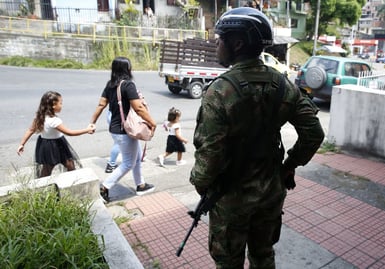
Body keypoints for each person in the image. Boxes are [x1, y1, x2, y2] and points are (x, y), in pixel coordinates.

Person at [189, 7, 324, 268]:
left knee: (229, 262)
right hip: (271, 192)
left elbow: (209, 153)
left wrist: (202, 183)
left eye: (220, 39)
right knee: (263, 256)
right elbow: (314, 133)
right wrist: (289, 166)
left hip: (231, 197)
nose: (217, 44)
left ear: (237, 43)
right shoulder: (284, 85)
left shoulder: (220, 91)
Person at [89, 56, 157, 203]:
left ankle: (141, 184)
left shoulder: (110, 85)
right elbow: (138, 107)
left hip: (115, 129)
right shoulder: (128, 85)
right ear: (127, 69)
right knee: (128, 163)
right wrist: (152, 122)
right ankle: (105, 187)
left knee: (137, 157)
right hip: (125, 131)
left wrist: (92, 122)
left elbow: (101, 105)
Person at [17, 91, 95, 178]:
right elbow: (70, 133)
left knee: (48, 168)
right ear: (53, 105)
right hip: (57, 144)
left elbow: (30, 130)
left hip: (45, 144)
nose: (62, 105)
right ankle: (71, 181)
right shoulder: (54, 121)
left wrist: (22, 144)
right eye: (60, 103)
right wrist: (87, 130)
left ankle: (43, 185)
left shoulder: (40, 117)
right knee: (68, 165)